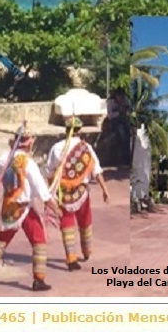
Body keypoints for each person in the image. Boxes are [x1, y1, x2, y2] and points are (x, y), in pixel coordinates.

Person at [0, 126, 60, 292]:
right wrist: (56, 209)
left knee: (2, 240)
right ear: (28, 144)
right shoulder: (28, 163)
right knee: (39, 240)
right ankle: (39, 279)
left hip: (9, 207)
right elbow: (41, 190)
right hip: (23, 207)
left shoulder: (3, 158)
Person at [45, 116, 109, 271]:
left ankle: (71, 258)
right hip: (81, 192)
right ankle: (86, 251)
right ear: (79, 131)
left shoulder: (56, 148)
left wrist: (53, 190)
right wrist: (104, 189)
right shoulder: (86, 148)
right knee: (85, 221)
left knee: (66, 223)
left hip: (63, 192)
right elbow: (96, 170)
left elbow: (50, 172)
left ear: (66, 130)